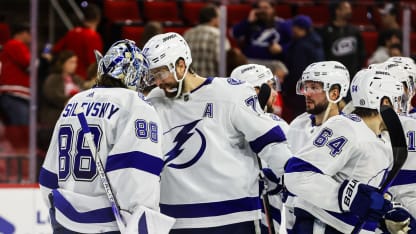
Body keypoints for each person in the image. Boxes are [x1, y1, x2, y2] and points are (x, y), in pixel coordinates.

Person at [141, 32, 292, 233]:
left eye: (160, 74)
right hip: (175, 221)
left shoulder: (230, 93)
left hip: (233, 218)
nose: (157, 82)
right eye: (153, 76)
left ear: (180, 65)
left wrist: (301, 187)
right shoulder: (154, 101)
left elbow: (273, 147)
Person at [39, 40, 170, 233]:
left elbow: (49, 175)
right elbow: (136, 172)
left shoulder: (75, 101)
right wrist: (141, 224)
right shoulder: (136, 105)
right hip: (108, 224)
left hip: (64, 220)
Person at [284, 68, 412, 233]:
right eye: (397, 100)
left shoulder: (380, 140)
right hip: (322, 226)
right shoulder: (346, 127)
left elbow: (363, 193)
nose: (400, 109)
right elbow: (297, 174)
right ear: (384, 102)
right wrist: (350, 196)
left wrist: (386, 212)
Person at [230, 63, 289, 233]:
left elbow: (289, 174)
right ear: (256, 91)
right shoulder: (274, 124)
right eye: (271, 86)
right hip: (245, 216)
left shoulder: (223, 126)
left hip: (254, 217)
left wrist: (272, 180)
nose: (275, 93)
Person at [319, 0, 365, 101]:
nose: (350, 11)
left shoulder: (354, 31)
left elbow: (361, 52)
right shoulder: (325, 31)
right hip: (333, 79)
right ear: (337, 11)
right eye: (346, 8)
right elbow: (323, 55)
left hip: (352, 78)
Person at [38, 50, 84, 152]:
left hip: (76, 122)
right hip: (54, 122)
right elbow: (51, 95)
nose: (74, 65)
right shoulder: (52, 79)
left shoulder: (78, 80)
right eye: (71, 62)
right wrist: (68, 101)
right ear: (62, 63)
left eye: (75, 62)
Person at [282, 15, 324, 122]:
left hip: (300, 92)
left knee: (300, 120)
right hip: (315, 88)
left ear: (300, 28)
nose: (292, 29)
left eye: (294, 27)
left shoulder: (301, 46)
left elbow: (297, 71)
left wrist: (285, 87)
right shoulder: (316, 41)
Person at [231, 0, 291, 68]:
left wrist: (281, 48)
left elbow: (294, 44)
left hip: (273, 63)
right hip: (251, 62)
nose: (262, 11)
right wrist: (248, 21)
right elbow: (234, 34)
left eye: (265, 8)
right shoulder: (250, 23)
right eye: (259, 8)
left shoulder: (282, 24)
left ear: (273, 9)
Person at [52, 3, 103, 79]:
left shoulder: (71, 33)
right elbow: (94, 63)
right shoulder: (93, 36)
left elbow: (55, 50)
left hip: (69, 78)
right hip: (84, 80)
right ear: (98, 18)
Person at [184, 3, 231, 77]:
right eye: (219, 17)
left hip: (192, 84)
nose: (220, 20)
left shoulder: (187, 34)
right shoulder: (218, 35)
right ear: (213, 19)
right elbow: (225, 64)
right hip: (212, 84)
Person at [0, 22, 31, 126]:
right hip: (14, 95)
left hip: (15, 95)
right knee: (21, 129)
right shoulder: (15, 44)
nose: (30, 36)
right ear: (21, 33)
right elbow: (28, 63)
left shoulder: (12, 46)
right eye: (28, 33)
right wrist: (42, 61)